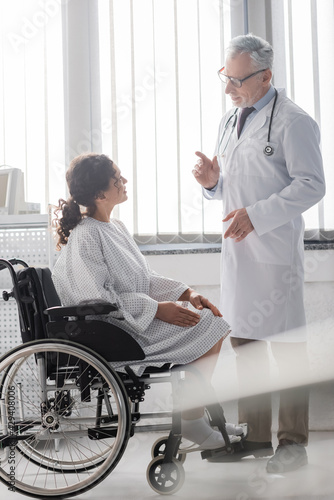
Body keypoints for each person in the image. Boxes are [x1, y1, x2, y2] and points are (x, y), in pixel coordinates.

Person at [192, 34, 325, 472]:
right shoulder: (230, 121)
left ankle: (292, 444)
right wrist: (214, 184)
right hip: (239, 253)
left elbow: (311, 184)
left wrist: (257, 216)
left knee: (286, 350)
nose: (228, 88)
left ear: (266, 75)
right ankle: (253, 438)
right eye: (224, 77)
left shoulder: (293, 121)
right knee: (246, 345)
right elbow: (237, 186)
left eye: (236, 79)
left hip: (273, 252)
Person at [52, 152, 242, 452]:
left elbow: (146, 279)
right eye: (118, 179)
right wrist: (157, 309)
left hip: (131, 321)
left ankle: (195, 417)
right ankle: (192, 420)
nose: (125, 181)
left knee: (211, 323)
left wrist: (186, 294)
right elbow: (95, 299)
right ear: (101, 193)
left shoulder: (116, 228)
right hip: (114, 331)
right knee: (211, 328)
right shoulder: (87, 235)